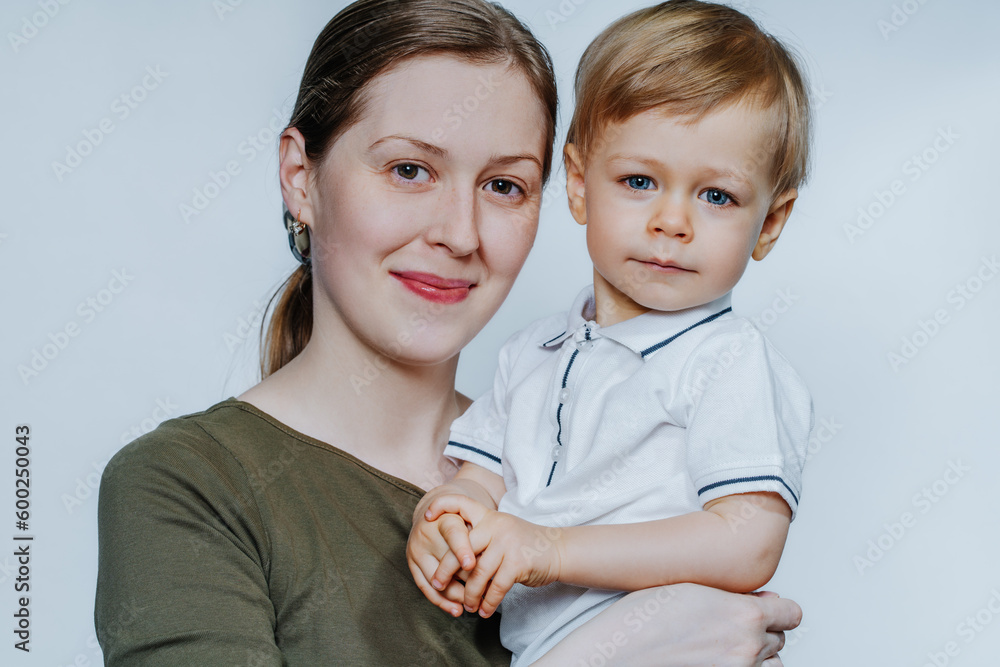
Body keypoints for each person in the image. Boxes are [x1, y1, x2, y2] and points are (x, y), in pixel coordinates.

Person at [94, 0, 802, 664]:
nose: (459, 234)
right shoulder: (189, 485)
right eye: (409, 169)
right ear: (299, 177)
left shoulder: (576, 458)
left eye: (504, 185)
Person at [406, 1, 814, 665]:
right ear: (577, 184)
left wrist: (551, 549)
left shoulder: (728, 359)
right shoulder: (532, 351)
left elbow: (748, 542)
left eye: (717, 196)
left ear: (769, 223)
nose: (672, 220)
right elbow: (480, 480)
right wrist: (446, 517)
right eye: (639, 181)